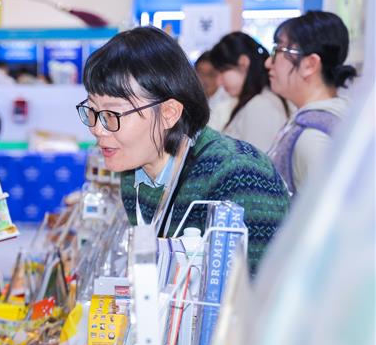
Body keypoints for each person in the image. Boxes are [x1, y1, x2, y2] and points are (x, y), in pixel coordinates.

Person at [79, 27, 290, 274]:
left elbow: (257, 296)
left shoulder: (241, 176)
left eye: (112, 114)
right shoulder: (134, 176)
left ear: (169, 113)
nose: (97, 129)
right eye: (92, 111)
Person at [265, 11, 357, 194]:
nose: (268, 62)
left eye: (278, 51)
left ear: (310, 64)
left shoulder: (313, 135)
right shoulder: (323, 120)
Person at [209, 32, 291, 152]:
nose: (219, 81)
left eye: (222, 71)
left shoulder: (261, 106)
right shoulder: (259, 102)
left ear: (243, 63)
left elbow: (258, 166)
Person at [194, 51, 234, 131]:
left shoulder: (228, 103)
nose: (204, 80)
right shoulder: (192, 97)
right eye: (200, 73)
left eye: (211, 74)